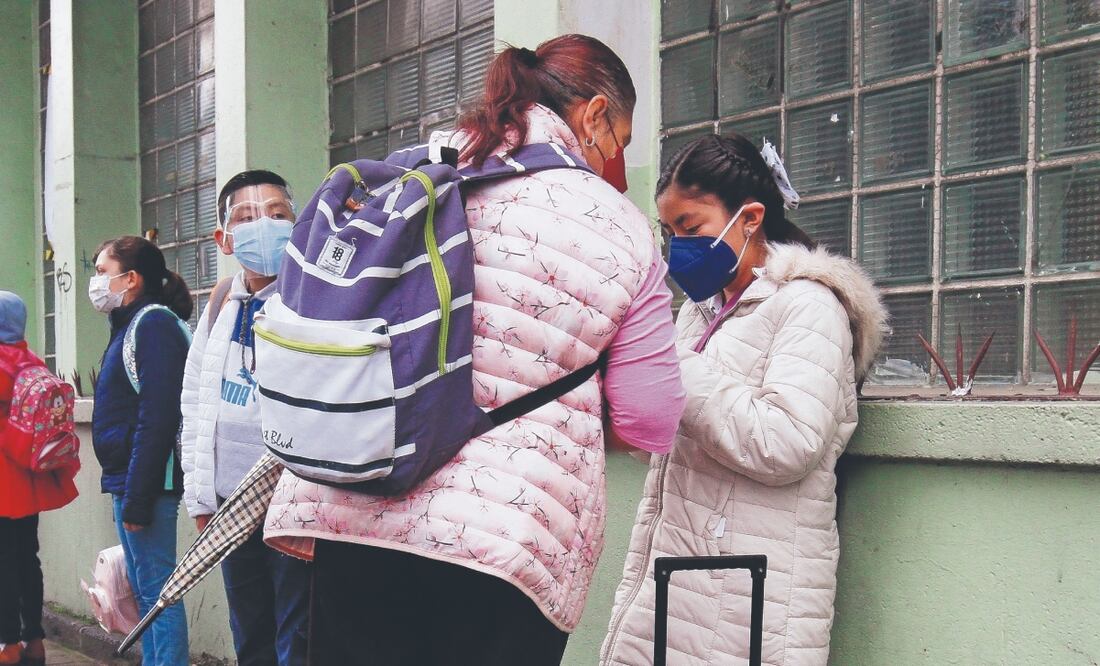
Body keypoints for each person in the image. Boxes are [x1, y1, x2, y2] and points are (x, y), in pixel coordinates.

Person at [262, 35, 686, 665]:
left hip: (353, 511)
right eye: (619, 140)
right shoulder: (620, 227)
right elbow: (649, 419)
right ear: (594, 114)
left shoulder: (407, 174)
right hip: (505, 541)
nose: (615, 158)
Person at [600, 133, 889, 666]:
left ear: (750, 218)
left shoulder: (808, 306)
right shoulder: (701, 311)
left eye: (691, 228)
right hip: (683, 572)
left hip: (748, 593)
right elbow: (677, 436)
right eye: (669, 231)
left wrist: (672, 365)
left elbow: (788, 443)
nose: (678, 246)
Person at [180, 170, 310, 665]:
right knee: (251, 634)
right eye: (248, 217)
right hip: (230, 505)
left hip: (293, 502)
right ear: (225, 238)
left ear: (297, 225)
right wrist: (200, 497)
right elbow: (196, 403)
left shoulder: (314, 297)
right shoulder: (220, 303)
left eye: (278, 214)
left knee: (298, 637)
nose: (265, 225)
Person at [90, 236, 192, 666]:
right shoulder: (130, 325)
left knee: (158, 595)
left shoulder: (153, 325)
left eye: (102, 272)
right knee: (148, 596)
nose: (96, 282)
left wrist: (139, 495)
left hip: (148, 483)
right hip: (129, 479)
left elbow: (158, 415)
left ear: (130, 278)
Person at [0, 291, 79, 666]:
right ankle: (34, 640)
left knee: (2, 562)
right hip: (28, 478)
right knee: (27, 558)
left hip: (3, 478)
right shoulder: (31, 361)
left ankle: (7, 645)